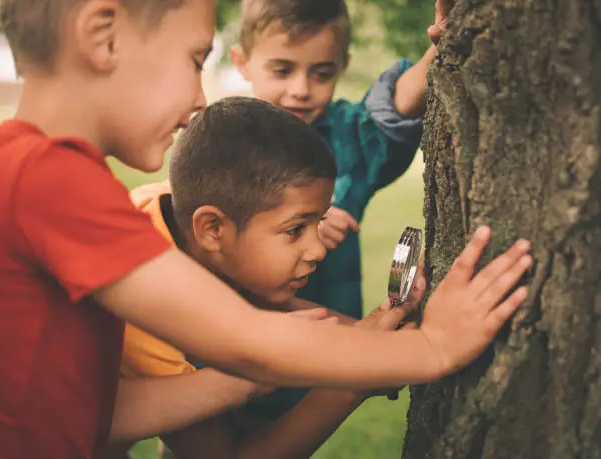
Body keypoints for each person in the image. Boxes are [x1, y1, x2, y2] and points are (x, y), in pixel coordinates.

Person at [0, 0, 532, 456]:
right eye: (195, 58)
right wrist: (434, 348)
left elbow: (102, 410)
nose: (202, 97)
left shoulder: (25, 171)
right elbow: (247, 344)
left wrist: (346, 355)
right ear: (103, 38)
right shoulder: (49, 179)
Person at [104, 96, 426, 459]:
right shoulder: (143, 321)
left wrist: (381, 342)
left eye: (318, 222)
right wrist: (346, 385)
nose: (318, 250)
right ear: (212, 229)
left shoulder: (179, 213)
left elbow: (261, 301)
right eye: (295, 230)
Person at [228, 0, 457, 420]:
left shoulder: (345, 139)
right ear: (241, 61)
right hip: (230, 369)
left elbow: (391, 112)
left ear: (343, 65)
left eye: (322, 73)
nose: (301, 88)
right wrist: (300, 221)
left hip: (322, 371)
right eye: (282, 70)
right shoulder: (222, 145)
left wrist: (445, 44)